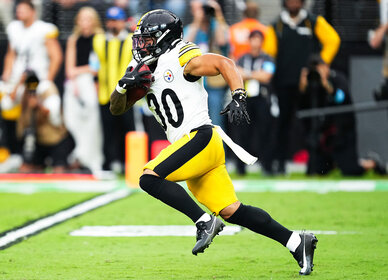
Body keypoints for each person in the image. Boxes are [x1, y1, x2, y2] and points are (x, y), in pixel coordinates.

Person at [110, 9, 318, 275]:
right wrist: (121, 86)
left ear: (164, 38)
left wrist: (239, 94)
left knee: (148, 178)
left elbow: (224, 63)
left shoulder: (181, 56)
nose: (142, 45)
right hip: (196, 149)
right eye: (140, 40)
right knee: (233, 211)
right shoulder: (143, 68)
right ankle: (296, 242)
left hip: (200, 138)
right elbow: (117, 108)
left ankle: (203, 221)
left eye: (148, 39)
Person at [262, 0, 340, 174]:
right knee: (282, 125)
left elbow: (333, 40)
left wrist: (322, 63)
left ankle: (316, 167)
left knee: (313, 125)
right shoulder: (276, 26)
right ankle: (279, 165)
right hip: (283, 83)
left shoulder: (313, 22)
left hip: (310, 84)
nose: (293, 3)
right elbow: (268, 53)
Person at [299, 55, 386, 176]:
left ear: (326, 67)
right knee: (315, 171)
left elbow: (340, 98)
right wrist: (303, 87)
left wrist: (326, 85)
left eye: (320, 68)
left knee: (352, 171)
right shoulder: (313, 83)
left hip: (343, 132)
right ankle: (334, 163)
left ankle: (371, 162)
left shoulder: (338, 78)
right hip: (324, 134)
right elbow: (303, 108)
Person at [0, 0, 62, 156]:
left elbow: (56, 56)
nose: (19, 13)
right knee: (6, 105)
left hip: (39, 78)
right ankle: (17, 152)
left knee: (52, 109)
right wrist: (7, 73)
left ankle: (51, 149)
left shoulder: (44, 29)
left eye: (23, 10)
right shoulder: (14, 28)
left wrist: (48, 79)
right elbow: (11, 54)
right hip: (19, 79)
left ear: (33, 11)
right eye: (18, 10)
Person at [92, 6, 134, 172]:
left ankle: (129, 164)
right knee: (107, 132)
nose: (113, 24)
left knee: (128, 130)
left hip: (127, 96)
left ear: (123, 21)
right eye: (110, 20)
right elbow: (94, 67)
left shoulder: (132, 40)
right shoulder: (99, 40)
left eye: (116, 20)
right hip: (105, 94)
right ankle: (108, 164)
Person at [63, 6, 104, 173]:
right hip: (75, 85)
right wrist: (75, 82)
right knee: (72, 120)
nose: (85, 23)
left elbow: (97, 68)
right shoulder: (73, 39)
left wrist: (82, 72)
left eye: (88, 19)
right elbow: (70, 70)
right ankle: (80, 155)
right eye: (82, 19)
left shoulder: (100, 39)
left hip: (92, 84)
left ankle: (93, 158)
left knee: (92, 120)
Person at [234, 29, 277, 175]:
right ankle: (241, 168)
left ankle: (267, 167)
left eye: (258, 39)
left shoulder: (268, 58)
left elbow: (266, 76)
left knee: (264, 132)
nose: (255, 42)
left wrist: (248, 74)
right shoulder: (242, 57)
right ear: (249, 41)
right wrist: (255, 74)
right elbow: (236, 73)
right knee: (242, 133)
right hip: (245, 99)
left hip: (262, 98)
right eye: (253, 39)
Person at [16, 71, 73, 173]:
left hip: (56, 139)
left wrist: (38, 105)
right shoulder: (24, 92)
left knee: (59, 172)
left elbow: (53, 115)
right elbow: (8, 103)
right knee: (26, 170)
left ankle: (70, 164)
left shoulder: (47, 88)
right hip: (38, 140)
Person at [184, 0, 229, 127]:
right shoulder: (191, 28)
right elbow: (185, 45)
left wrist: (218, 14)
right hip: (195, 84)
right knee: (195, 123)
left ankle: (219, 147)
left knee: (216, 123)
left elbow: (222, 41)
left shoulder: (217, 26)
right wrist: (197, 22)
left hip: (214, 83)